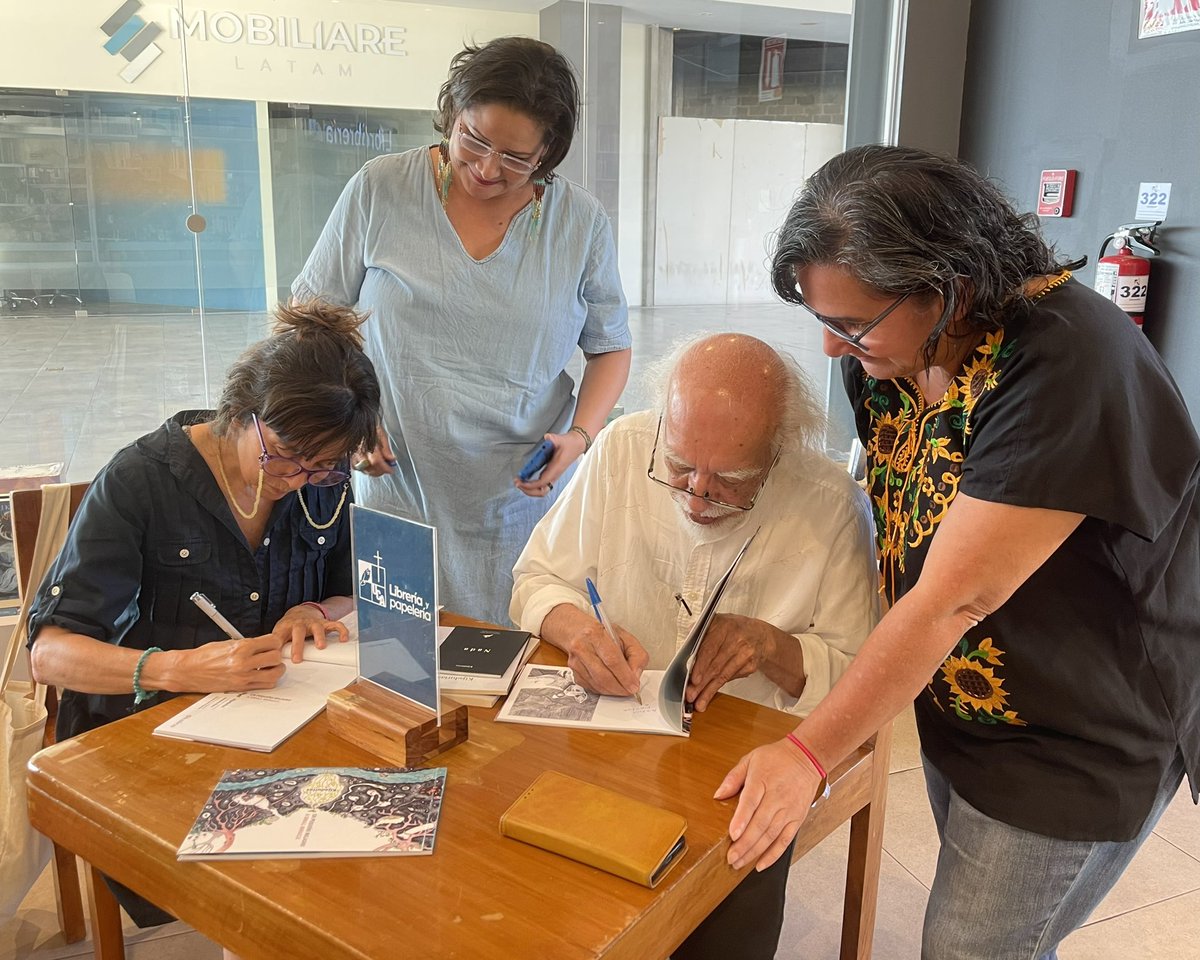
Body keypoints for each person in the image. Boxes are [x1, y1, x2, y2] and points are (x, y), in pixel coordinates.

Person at [719, 145, 1200, 960]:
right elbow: (902, 514)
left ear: (947, 288)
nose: (833, 349)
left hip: (1078, 727)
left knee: (971, 947)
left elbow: (954, 597)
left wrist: (808, 753)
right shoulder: (887, 360)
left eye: (850, 324)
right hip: (964, 702)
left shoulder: (1065, 360)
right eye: (821, 321)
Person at [511, 332, 879, 960]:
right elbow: (535, 579)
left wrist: (772, 648)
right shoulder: (626, 447)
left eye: (731, 479)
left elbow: (858, 677)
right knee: (547, 897)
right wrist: (582, 634)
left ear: (779, 451)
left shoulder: (831, 504)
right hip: (611, 736)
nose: (696, 495)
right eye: (679, 466)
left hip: (746, 762)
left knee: (722, 916)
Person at [27, 300, 382, 940]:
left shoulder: (321, 477)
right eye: (288, 456)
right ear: (245, 413)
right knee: (275, 880)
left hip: (282, 723)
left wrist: (315, 609)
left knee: (368, 838)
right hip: (148, 739)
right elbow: (50, 654)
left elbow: (348, 589)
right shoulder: (141, 481)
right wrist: (179, 668)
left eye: (326, 465)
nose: (301, 480)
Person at [293, 36, 632, 625]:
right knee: (405, 662)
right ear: (452, 111)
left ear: (548, 153)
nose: (485, 168)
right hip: (399, 484)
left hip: (520, 499)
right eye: (473, 139)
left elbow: (610, 348)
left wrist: (578, 436)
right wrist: (350, 423)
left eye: (515, 158)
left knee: (517, 671)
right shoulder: (381, 189)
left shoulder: (580, 223)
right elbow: (313, 322)